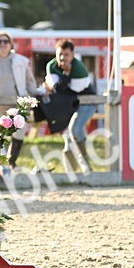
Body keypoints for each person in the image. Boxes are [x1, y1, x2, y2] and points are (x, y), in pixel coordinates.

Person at [0, 32, 37, 166]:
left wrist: (36, 94)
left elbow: (30, 83)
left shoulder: (21, 61)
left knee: (19, 132)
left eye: (6, 41)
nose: (3, 44)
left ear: (11, 44)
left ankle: (12, 161)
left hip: (16, 104)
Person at [44, 39, 97, 171]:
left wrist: (65, 75)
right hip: (70, 103)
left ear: (72, 55)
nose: (62, 58)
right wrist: (65, 75)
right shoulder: (51, 66)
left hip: (86, 103)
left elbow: (68, 90)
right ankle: (72, 172)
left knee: (75, 129)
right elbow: (58, 89)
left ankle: (86, 167)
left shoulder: (80, 70)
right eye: (60, 54)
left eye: (66, 55)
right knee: (68, 136)